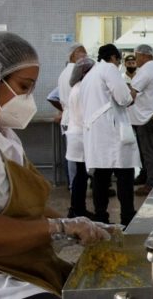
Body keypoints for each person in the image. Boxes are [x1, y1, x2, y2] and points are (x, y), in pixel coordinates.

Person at [0, 31, 113, 299]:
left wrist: (75, 222)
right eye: (23, 87)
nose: (28, 98)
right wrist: (59, 227)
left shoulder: (4, 133)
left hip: (17, 260)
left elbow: (28, 207)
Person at [80, 44, 140, 225]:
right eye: (119, 60)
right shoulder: (110, 69)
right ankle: (127, 216)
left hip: (96, 132)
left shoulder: (90, 74)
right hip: (112, 131)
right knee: (124, 173)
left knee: (101, 176)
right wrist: (133, 95)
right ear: (114, 57)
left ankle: (101, 217)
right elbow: (123, 98)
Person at [128, 44, 153, 196]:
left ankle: (151, 183)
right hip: (152, 115)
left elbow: (133, 92)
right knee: (149, 151)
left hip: (147, 117)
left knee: (148, 151)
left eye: (136, 56)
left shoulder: (147, 70)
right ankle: (147, 177)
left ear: (144, 55)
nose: (135, 59)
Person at [65, 57, 95, 219]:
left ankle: (77, 208)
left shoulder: (78, 87)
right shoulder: (81, 89)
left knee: (81, 175)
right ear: (85, 73)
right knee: (81, 176)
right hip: (80, 136)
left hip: (78, 134)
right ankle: (77, 209)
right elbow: (86, 115)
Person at [58, 43, 87, 190]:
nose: (84, 57)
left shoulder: (64, 72)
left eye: (85, 53)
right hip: (74, 119)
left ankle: (73, 185)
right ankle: (74, 186)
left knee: (72, 156)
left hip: (68, 117)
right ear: (72, 56)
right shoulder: (73, 73)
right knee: (74, 158)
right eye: (81, 53)